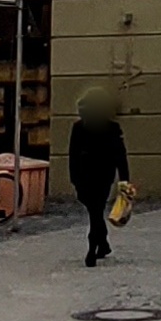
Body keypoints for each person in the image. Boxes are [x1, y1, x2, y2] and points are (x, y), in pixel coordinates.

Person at [68, 88, 130, 268]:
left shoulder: (111, 128)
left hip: (102, 175)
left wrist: (124, 179)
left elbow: (120, 155)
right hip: (83, 176)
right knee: (94, 211)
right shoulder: (78, 128)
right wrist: (74, 177)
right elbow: (73, 153)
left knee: (95, 211)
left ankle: (92, 249)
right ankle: (103, 243)